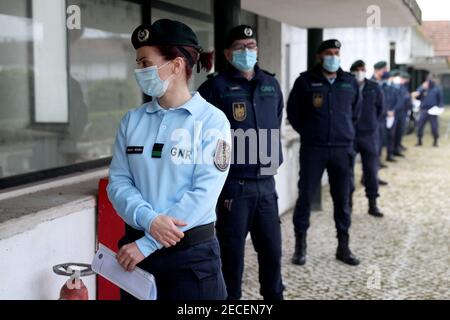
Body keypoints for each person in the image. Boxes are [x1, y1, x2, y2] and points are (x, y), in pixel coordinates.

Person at [107, 19, 232, 300]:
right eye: (138, 63)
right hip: (136, 255)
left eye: (145, 63)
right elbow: (118, 182)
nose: (139, 71)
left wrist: (149, 242)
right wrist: (148, 221)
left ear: (176, 65)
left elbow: (204, 193)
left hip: (190, 260)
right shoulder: (133, 121)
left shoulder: (211, 121)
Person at [198, 25, 285, 300]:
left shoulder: (271, 84)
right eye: (239, 47)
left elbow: (278, 119)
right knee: (231, 259)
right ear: (227, 53)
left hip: (267, 186)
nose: (247, 51)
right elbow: (199, 133)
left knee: (272, 254)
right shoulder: (215, 87)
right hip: (233, 188)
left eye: (251, 46)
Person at [287, 39, 362, 267]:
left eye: (337, 52)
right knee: (305, 197)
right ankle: (300, 247)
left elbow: (355, 114)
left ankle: (343, 246)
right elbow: (294, 113)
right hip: (314, 149)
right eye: (329, 52)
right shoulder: (305, 81)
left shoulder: (349, 82)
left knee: (343, 199)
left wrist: (343, 133)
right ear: (320, 56)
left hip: (342, 149)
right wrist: (311, 133)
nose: (333, 56)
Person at [349, 60, 385, 218]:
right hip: (349, 135)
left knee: (371, 171)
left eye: (362, 69)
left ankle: (372, 204)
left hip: (369, 135)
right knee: (347, 172)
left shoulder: (374, 87)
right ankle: (347, 204)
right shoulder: (345, 86)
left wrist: (370, 125)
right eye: (357, 70)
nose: (360, 72)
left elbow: (380, 109)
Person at [413, 76, 444, 147]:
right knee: (420, 126)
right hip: (423, 110)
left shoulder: (437, 89)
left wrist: (440, 107)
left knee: (434, 127)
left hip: (433, 111)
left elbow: (440, 99)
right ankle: (419, 141)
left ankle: (435, 141)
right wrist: (422, 88)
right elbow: (417, 96)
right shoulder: (423, 88)